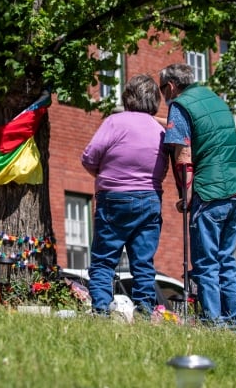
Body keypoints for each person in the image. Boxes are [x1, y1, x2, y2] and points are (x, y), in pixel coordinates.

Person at [159, 63, 236, 330]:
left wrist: (185, 197)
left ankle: (213, 322)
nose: (164, 97)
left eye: (164, 91)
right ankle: (233, 322)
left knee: (206, 263)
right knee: (226, 261)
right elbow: (198, 131)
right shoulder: (214, 100)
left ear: (171, 86)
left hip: (207, 192)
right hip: (233, 190)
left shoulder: (180, 105)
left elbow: (184, 155)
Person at [81, 74, 169, 318]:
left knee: (104, 260)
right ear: (154, 101)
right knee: (143, 262)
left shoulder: (115, 122)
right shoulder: (159, 130)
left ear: (128, 97)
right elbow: (164, 168)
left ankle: (100, 309)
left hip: (114, 198)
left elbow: (89, 157)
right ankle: (144, 311)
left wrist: (104, 176)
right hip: (150, 198)